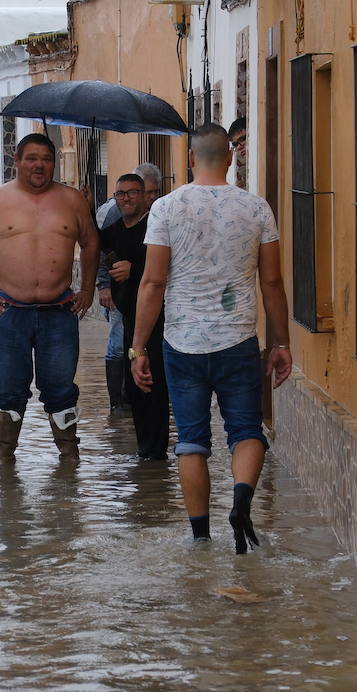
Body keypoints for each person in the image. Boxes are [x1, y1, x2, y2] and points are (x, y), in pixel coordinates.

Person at [130, 123, 292, 553]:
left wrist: (137, 347)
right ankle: (240, 502)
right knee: (246, 431)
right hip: (238, 339)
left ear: (189, 158)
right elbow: (272, 283)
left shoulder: (165, 208)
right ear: (232, 157)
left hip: (181, 343)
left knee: (191, 440)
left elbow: (152, 283)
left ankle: (200, 537)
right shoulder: (257, 209)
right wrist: (280, 344)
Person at [0, 133, 100, 462]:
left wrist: (88, 289)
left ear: (54, 163)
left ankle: (69, 454)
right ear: (16, 161)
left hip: (59, 311)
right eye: (31, 158)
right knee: (9, 388)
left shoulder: (72, 200)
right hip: (8, 311)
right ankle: (5, 456)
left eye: (46, 159)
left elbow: (91, 244)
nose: (39, 165)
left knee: (61, 387)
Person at [99, 172, 169, 460]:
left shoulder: (156, 228)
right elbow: (97, 248)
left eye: (133, 192)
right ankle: (144, 449)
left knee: (154, 382)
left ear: (145, 196)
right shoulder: (113, 230)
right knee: (135, 383)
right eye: (121, 193)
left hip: (157, 318)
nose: (126, 198)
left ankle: (157, 451)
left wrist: (134, 271)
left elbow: (165, 272)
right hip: (128, 315)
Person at [94, 195, 126, 412]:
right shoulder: (111, 214)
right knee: (118, 343)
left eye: (154, 191)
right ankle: (117, 402)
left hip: (145, 289)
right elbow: (98, 250)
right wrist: (103, 285)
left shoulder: (156, 210)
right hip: (117, 290)